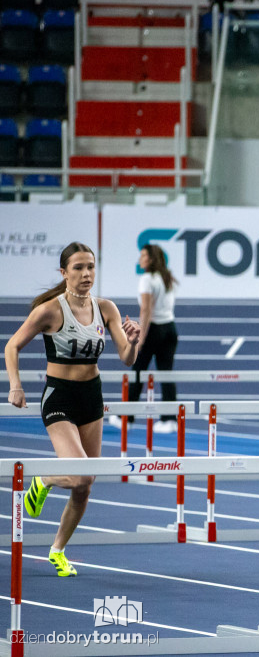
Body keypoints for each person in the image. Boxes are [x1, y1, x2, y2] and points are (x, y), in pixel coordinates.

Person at [4, 242, 141, 577]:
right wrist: (15, 385)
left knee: (85, 485)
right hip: (60, 398)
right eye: (78, 267)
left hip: (91, 398)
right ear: (64, 272)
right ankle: (44, 479)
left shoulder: (106, 308)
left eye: (90, 266)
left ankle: (57, 550)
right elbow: (12, 345)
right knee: (80, 474)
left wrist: (135, 340)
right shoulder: (50, 310)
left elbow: (127, 359)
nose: (86, 274)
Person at [120, 244, 179, 433]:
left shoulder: (147, 279)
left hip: (153, 330)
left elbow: (146, 309)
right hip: (170, 329)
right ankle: (170, 419)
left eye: (143, 255)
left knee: (138, 371)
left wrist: (141, 337)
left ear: (151, 259)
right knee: (166, 374)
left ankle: (126, 417)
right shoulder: (166, 276)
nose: (140, 258)